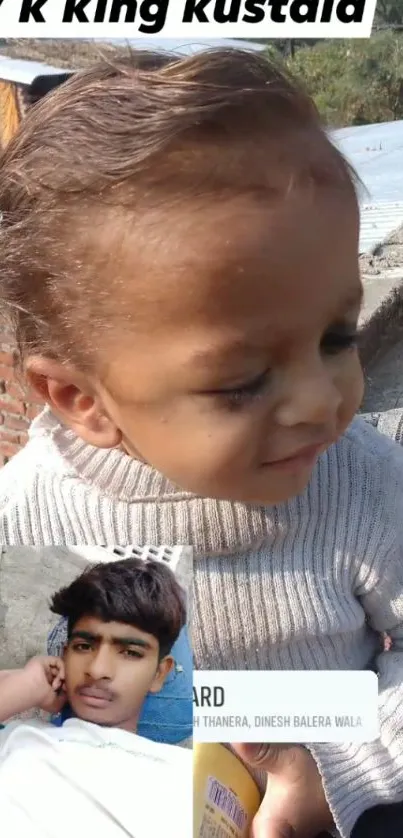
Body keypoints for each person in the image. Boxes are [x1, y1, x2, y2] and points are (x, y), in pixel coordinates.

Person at [0, 46, 403, 837]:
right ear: (82, 400)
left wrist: (341, 775)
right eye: (241, 381)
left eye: (334, 335)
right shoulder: (27, 517)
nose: (322, 402)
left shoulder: (362, 484)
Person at [0, 557, 191, 837]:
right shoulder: (19, 737)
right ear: (64, 654)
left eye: (130, 652)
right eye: (84, 646)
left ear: (159, 674)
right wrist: (26, 686)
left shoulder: (185, 775)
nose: (97, 670)